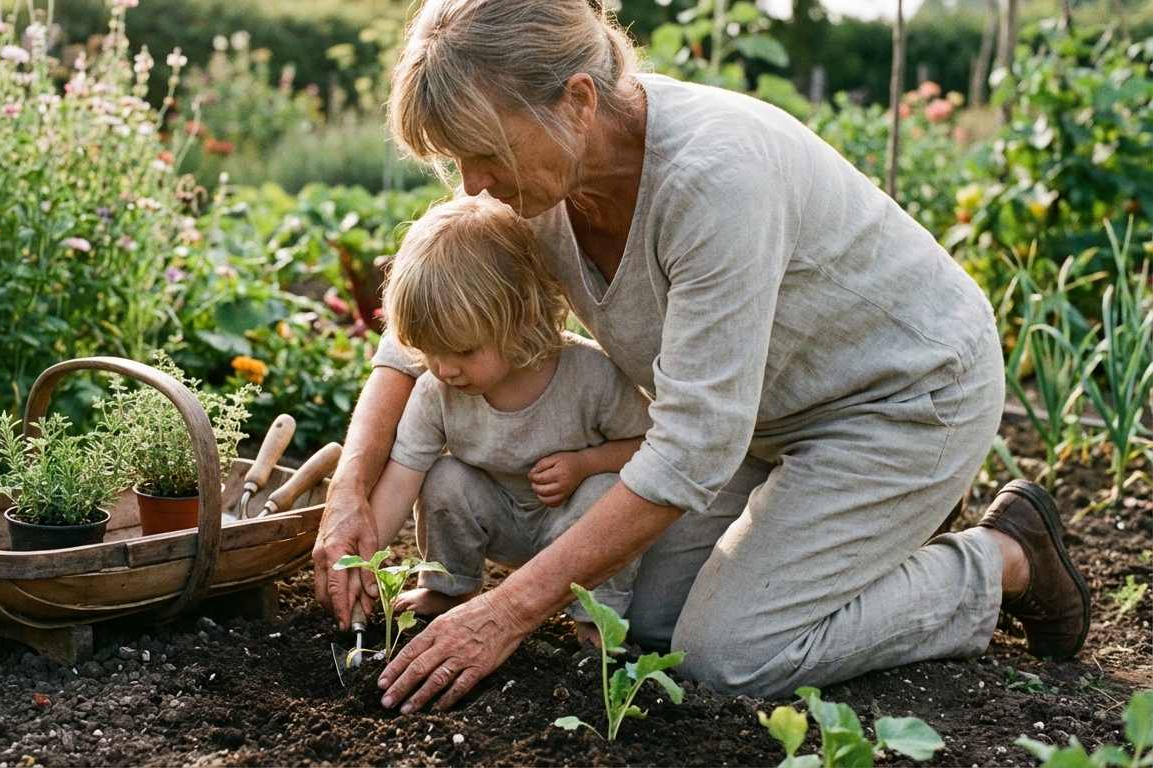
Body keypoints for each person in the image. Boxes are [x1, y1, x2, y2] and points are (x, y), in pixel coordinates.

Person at [312, 0, 1091, 713]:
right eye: (454, 161)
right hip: (763, 420)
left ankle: (1003, 557)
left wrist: (509, 608)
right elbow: (421, 322)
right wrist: (352, 487)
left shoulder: (715, 182)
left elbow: (688, 449)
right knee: (645, 618)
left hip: (905, 401)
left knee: (728, 655)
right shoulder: (535, 181)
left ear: (579, 102)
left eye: (483, 154)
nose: (470, 185)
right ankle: (852, 538)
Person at [365, 195, 653, 637]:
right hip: (498, 519)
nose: (445, 369)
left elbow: (650, 448)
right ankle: (449, 587)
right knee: (443, 478)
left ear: (524, 318)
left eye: (462, 350)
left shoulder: (590, 375)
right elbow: (403, 476)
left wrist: (584, 465)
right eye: (430, 351)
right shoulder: (437, 389)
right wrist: (364, 562)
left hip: (576, 529)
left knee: (607, 490)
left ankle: (595, 618)